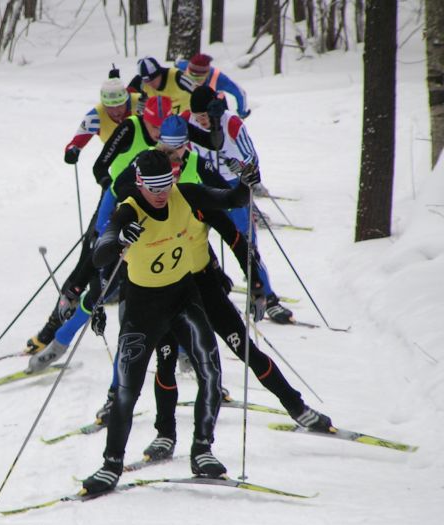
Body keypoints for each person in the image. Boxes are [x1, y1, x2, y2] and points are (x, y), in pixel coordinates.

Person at [97, 129, 333, 464]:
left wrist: (256, 284)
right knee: (165, 362)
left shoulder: (193, 199)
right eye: (163, 176)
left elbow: (236, 233)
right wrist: (116, 241)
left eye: (175, 170)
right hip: (165, 293)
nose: (168, 183)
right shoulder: (141, 203)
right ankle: (165, 435)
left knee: (245, 349)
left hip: (203, 287)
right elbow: (111, 231)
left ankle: (296, 406)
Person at [81, 149, 256, 494]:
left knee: (210, 371)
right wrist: (118, 242)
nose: (162, 192)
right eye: (154, 185)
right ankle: (111, 465)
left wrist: (246, 180)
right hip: (142, 310)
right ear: (141, 183)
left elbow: (233, 198)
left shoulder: (184, 194)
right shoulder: (128, 211)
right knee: (126, 391)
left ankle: (202, 450)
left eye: (167, 183)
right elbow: (99, 254)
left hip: (183, 298)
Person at [27, 96, 171, 372]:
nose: (159, 134)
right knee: (90, 269)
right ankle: (51, 333)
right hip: (115, 203)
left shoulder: (173, 150)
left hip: (147, 217)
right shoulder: (130, 128)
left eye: (163, 129)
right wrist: (112, 195)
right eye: (155, 127)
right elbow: (100, 166)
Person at [25, 73, 142, 356]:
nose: (116, 112)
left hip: (151, 190)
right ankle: (53, 327)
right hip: (114, 189)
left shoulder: (141, 106)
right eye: (110, 107)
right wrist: (73, 150)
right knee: (90, 254)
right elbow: (78, 139)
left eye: (120, 105)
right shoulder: (97, 114)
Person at [181, 85, 294, 324]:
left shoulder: (231, 122)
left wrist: (241, 168)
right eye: (196, 117)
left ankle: (267, 297)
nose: (200, 122)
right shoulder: (185, 120)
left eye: (203, 117)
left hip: (233, 189)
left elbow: (253, 159)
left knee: (247, 243)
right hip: (203, 187)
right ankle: (206, 291)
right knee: (193, 240)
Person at [175, 53, 250, 119]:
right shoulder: (184, 67)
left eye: (198, 78)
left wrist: (242, 113)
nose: (195, 81)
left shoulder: (219, 78)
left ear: (207, 74)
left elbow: (240, 93)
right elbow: (177, 63)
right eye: (191, 76)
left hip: (216, 109)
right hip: (193, 107)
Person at [126, 56, 194, 115]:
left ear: (160, 73)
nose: (151, 84)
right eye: (147, 81)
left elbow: (199, 91)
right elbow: (138, 104)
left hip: (190, 117)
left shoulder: (177, 76)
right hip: (167, 124)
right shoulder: (143, 85)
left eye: (153, 79)